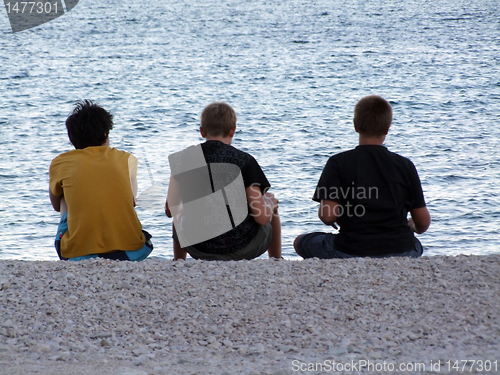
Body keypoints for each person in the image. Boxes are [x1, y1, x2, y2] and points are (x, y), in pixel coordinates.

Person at [294, 95, 431, 259]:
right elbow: (423, 223)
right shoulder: (405, 165)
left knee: (300, 241)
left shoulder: (337, 162)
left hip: (350, 249)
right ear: (387, 129)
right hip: (402, 250)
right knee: (416, 244)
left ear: (355, 125)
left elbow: (327, 215)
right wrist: (411, 225)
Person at [165, 102, 281, 260]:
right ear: (233, 131)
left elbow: (170, 211)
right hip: (242, 248)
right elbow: (261, 217)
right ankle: (276, 260)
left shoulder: (182, 160)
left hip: (198, 247)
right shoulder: (245, 160)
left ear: (202, 131)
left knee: (180, 209)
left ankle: (179, 262)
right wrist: (269, 203)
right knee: (270, 201)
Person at [49, 100, 153, 261]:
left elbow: (56, 206)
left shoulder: (60, 162)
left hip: (78, 254)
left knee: (63, 195)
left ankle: (82, 241)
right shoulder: (128, 159)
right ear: (105, 133)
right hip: (129, 251)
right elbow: (131, 201)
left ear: (72, 138)